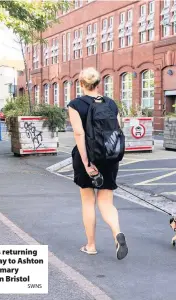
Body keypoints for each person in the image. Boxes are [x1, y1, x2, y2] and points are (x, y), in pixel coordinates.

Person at [67, 67, 128, 260]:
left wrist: (86, 163)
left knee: (88, 201)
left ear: (81, 84)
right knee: (106, 202)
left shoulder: (76, 105)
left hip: (88, 158)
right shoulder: (110, 104)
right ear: (98, 83)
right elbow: (117, 131)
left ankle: (91, 245)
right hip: (109, 158)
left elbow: (79, 134)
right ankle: (117, 232)